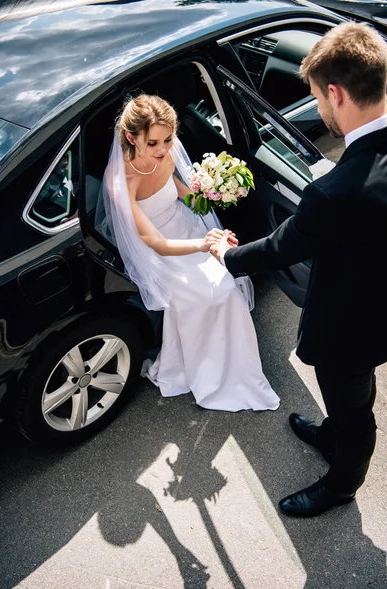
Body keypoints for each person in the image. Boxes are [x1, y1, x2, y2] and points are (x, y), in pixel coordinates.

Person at [210, 22, 387, 516]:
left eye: (316, 98)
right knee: (352, 394)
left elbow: (280, 247)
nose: (320, 110)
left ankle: (341, 484)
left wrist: (227, 255)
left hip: (351, 323)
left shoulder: (335, 193)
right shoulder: (354, 178)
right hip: (378, 303)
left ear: (336, 93)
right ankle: (332, 432)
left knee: (354, 411)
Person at [96, 94, 280, 412]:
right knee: (207, 295)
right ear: (130, 137)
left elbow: (186, 198)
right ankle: (207, 372)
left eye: (168, 139)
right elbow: (155, 243)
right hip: (163, 254)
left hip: (188, 230)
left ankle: (233, 364)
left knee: (226, 287)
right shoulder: (120, 182)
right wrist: (206, 245)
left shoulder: (167, 157)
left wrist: (212, 190)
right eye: (153, 143)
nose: (164, 149)